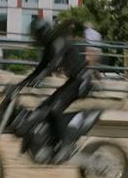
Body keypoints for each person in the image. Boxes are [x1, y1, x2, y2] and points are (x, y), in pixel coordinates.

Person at [13, 18, 93, 164]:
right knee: (44, 107)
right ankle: (51, 140)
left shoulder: (58, 42)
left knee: (54, 109)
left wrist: (42, 76)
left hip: (81, 81)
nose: (35, 38)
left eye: (36, 35)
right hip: (73, 81)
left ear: (43, 33)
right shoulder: (49, 47)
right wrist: (19, 85)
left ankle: (65, 145)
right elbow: (40, 68)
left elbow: (54, 63)